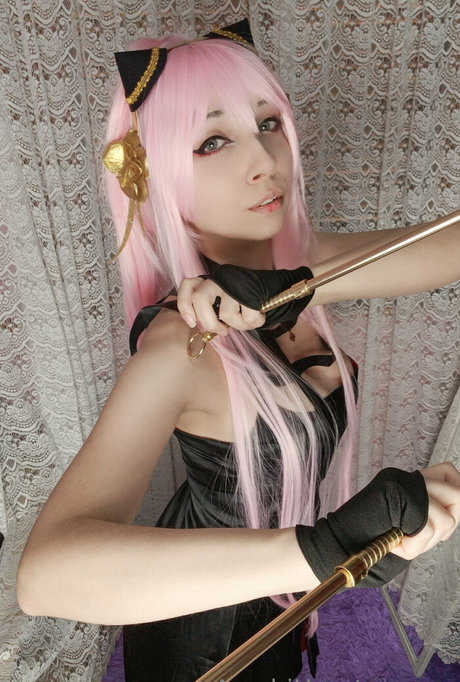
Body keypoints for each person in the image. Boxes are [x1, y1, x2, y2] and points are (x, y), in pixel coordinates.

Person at [16, 20, 460, 682]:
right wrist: (326, 548)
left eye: (268, 124)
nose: (266, 160)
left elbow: (449, 247)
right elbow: (43, 578)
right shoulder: (182, 345)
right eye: (213, 141)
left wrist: (296, 285)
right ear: (154, 178)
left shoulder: (302, 263)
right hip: (204, 638)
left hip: (286, 603)